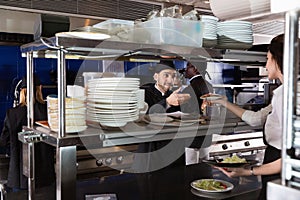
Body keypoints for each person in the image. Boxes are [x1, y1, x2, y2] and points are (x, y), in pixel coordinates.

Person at [211, 34, 284, 200]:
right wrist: (224, 101)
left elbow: (290, 158)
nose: (265, 65)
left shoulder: (288, 96)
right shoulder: (282, 93)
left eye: (267, 59)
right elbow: (256, 119)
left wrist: (248, 171)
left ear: (277, 61)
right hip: (273, 159)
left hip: (279, 163)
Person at [134, 60, 191, 172]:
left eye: (173, 76)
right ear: (156, 76)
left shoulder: (175, 95)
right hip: (152, 151)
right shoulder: (143, 92)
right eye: (166, 75)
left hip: (174, 151)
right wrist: (167, 102)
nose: (170, 80)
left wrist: (189, 103)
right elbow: (142, 117)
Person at [0, 75, 55, 191]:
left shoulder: (12, 113)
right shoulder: (49, 111)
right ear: (40, 89)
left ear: (21, 92)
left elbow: (3, 141)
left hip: (19, 174)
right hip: (45, 174)